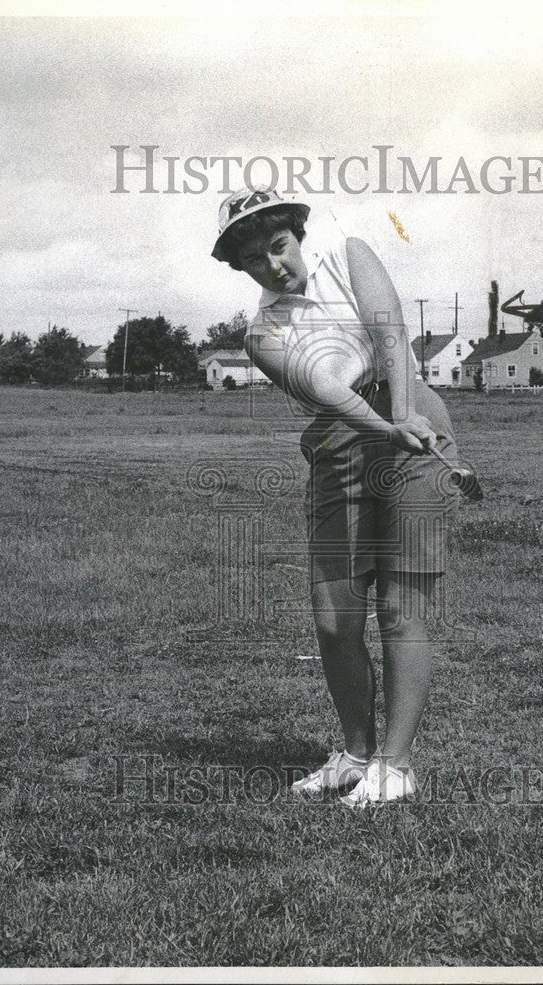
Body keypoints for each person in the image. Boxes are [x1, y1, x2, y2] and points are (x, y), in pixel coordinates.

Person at [211, 187, 460, 806]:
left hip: (414, 413)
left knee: (402, 607)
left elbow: (392, 331)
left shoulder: (349, 254)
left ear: (295, 234)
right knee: (333, 616)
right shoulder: (261, 334)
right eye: (254, 260)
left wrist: (404, 414)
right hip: (340, 439)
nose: (273, 265)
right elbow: (328, 390)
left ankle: (395, 767)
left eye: (278, 245)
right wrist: (387, 428)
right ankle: (355, 754)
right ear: (241, 269)